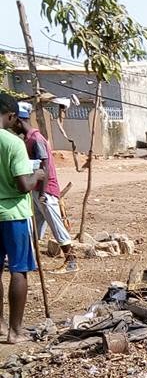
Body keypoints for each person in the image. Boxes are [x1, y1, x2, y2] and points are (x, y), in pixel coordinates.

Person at [0, 94, 47, 344]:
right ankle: (15, 332)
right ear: (10, 115)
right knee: (19, 271)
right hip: (13, 215)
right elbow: (22, 185)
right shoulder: (12, 143)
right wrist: (37, 175)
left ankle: (0, 324)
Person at [14, 102, 76, 273]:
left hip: (45, 191)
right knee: (34, 229)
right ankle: (31, 260)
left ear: (19, 120)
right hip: (37, 190)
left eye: (13, 122)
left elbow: (45, 166)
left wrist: (42, 193)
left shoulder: (36, 139)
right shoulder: (28, 139)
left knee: (56, 226)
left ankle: (71, 261)